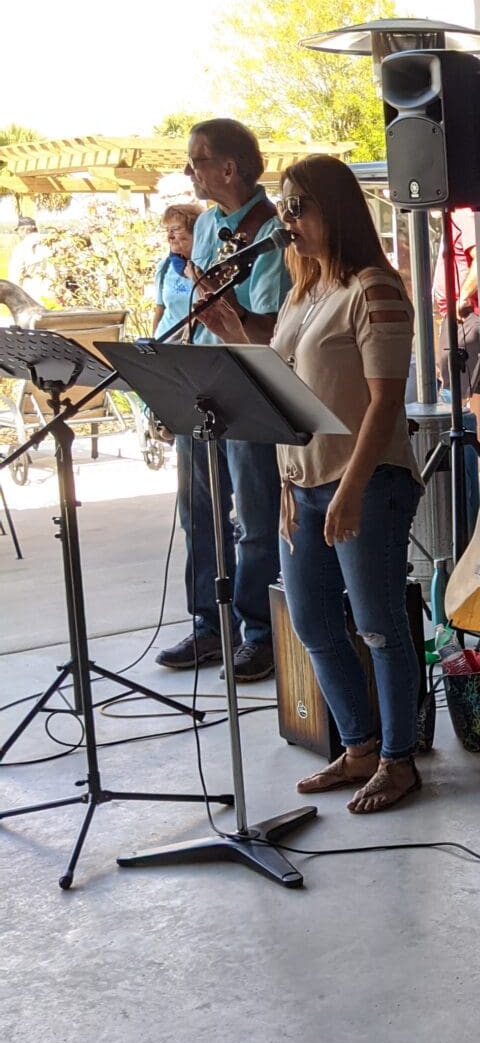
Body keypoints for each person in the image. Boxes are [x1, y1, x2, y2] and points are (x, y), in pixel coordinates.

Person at [236, 155, 421, 813]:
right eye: (284, 206)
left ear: (335, 210)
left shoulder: (373, 289)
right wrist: (291, 478)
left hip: (367, 483)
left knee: (378, 625)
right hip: (306, 483)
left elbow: (384, 404)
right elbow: (284, 383)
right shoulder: (302, 291)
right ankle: (361, 746)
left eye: (299, 207)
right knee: (312, 619)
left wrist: (349, 488)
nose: (288, 221)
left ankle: (400, 760)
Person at [155, 120, 290, 680]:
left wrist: (225, 315)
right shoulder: (207, 223)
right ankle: (211, 627)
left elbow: (270, 325)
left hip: (249, 386)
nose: (189, 172)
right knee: (198, 512)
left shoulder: (273, 230)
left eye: (195, 161)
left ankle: (258, 632)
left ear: (228, 168)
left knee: (255, 519)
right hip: (200, 381)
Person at [433, 207, 480, 439]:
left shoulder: (462, 214)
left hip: (465, 315)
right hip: (454, 316)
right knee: (461, 392)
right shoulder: (451, 219)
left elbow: (479, 256)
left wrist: (463, 296)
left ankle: (467, 463)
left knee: (457, 396)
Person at [150, 201, 202, 338]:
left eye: (175, 229)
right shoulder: (165, 266)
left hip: (198, 347)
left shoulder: (210, 266)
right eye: (167, 230)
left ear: (196, 232)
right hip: (167, 344)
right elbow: (160, 310)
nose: (169, 236)